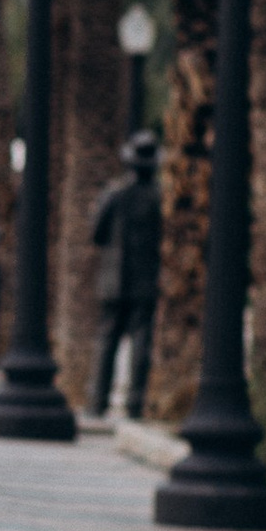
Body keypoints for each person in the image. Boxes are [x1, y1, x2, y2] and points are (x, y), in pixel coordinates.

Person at [88, 130, 163, 420]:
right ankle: (135, 404)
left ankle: (98, 402)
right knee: (140, 342)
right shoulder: (158, 197)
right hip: (144, 281)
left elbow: (97, 232)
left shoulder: (115, 193)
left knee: (107, 340)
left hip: (115, 281)